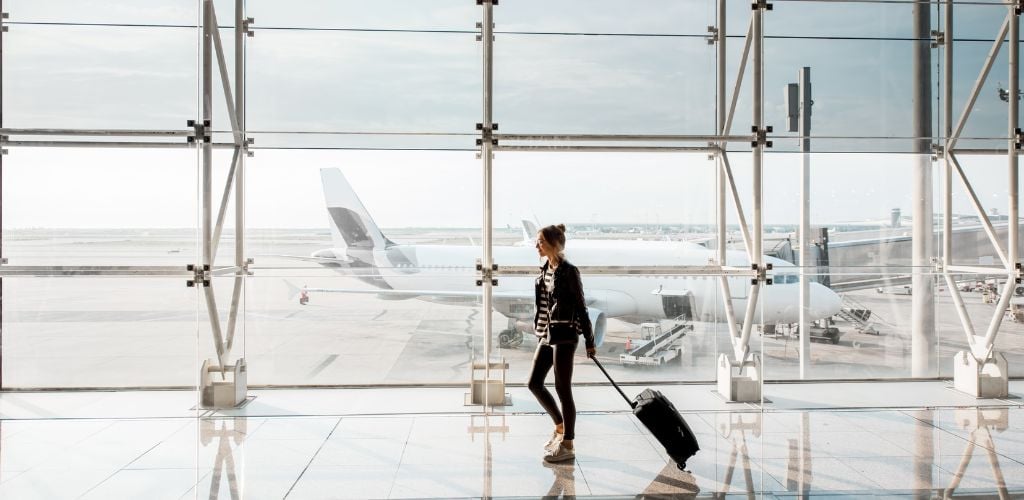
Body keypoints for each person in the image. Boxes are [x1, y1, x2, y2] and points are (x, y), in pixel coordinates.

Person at [528, 223, 596, 463]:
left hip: (565, 335)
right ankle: (559, 427)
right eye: (537, 241)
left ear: (554, 245)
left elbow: (581, 306)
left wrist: (589, 340)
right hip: (547, 334)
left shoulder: (569, 271)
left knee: (562, 388)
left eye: (541, 242)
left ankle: (568, 444)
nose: (537, 245)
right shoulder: (545, 269)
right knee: (534, 383)